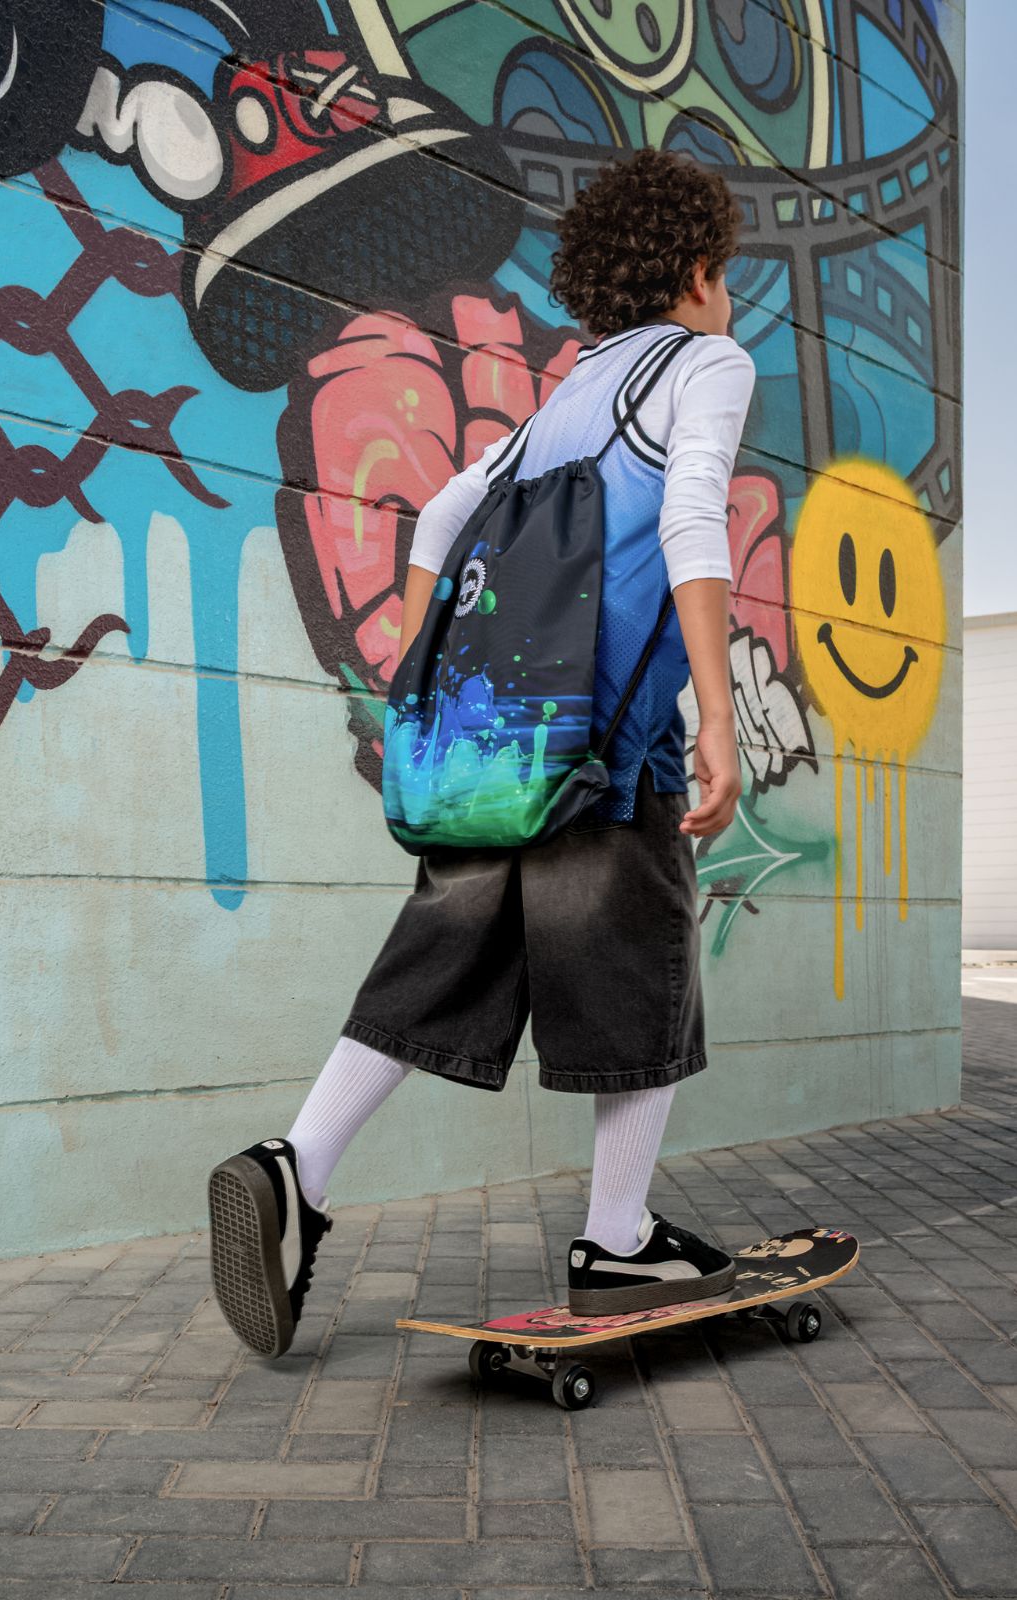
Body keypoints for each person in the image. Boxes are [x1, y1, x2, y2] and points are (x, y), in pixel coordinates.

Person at [208, 147, 757, 1358]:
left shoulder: (568, 389)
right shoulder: (707, 360)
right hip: (608, 749)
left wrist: (419, 663)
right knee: (640, 974)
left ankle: (293, 1166)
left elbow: (449, 510)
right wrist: (715, 717)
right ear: (700, 271)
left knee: (439, 962)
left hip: (498, 746)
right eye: (727, 274)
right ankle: (617, 1239)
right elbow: (689, 515)